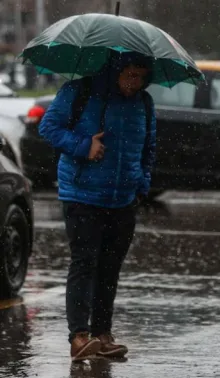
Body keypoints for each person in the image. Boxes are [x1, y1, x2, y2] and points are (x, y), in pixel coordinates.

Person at [39, 52, 156, 361]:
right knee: (84, 263)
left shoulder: (143, 102)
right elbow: (48, 128)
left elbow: (148, 147)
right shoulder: (80, 91)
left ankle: (102, 335)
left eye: (141, 78)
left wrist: (141, 185)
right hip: (82, 194)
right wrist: (83, 145)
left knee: (109, 269)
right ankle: (79, 337)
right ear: (116, 70)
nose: (136, 83)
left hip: (123, 199)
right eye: (131, 76)